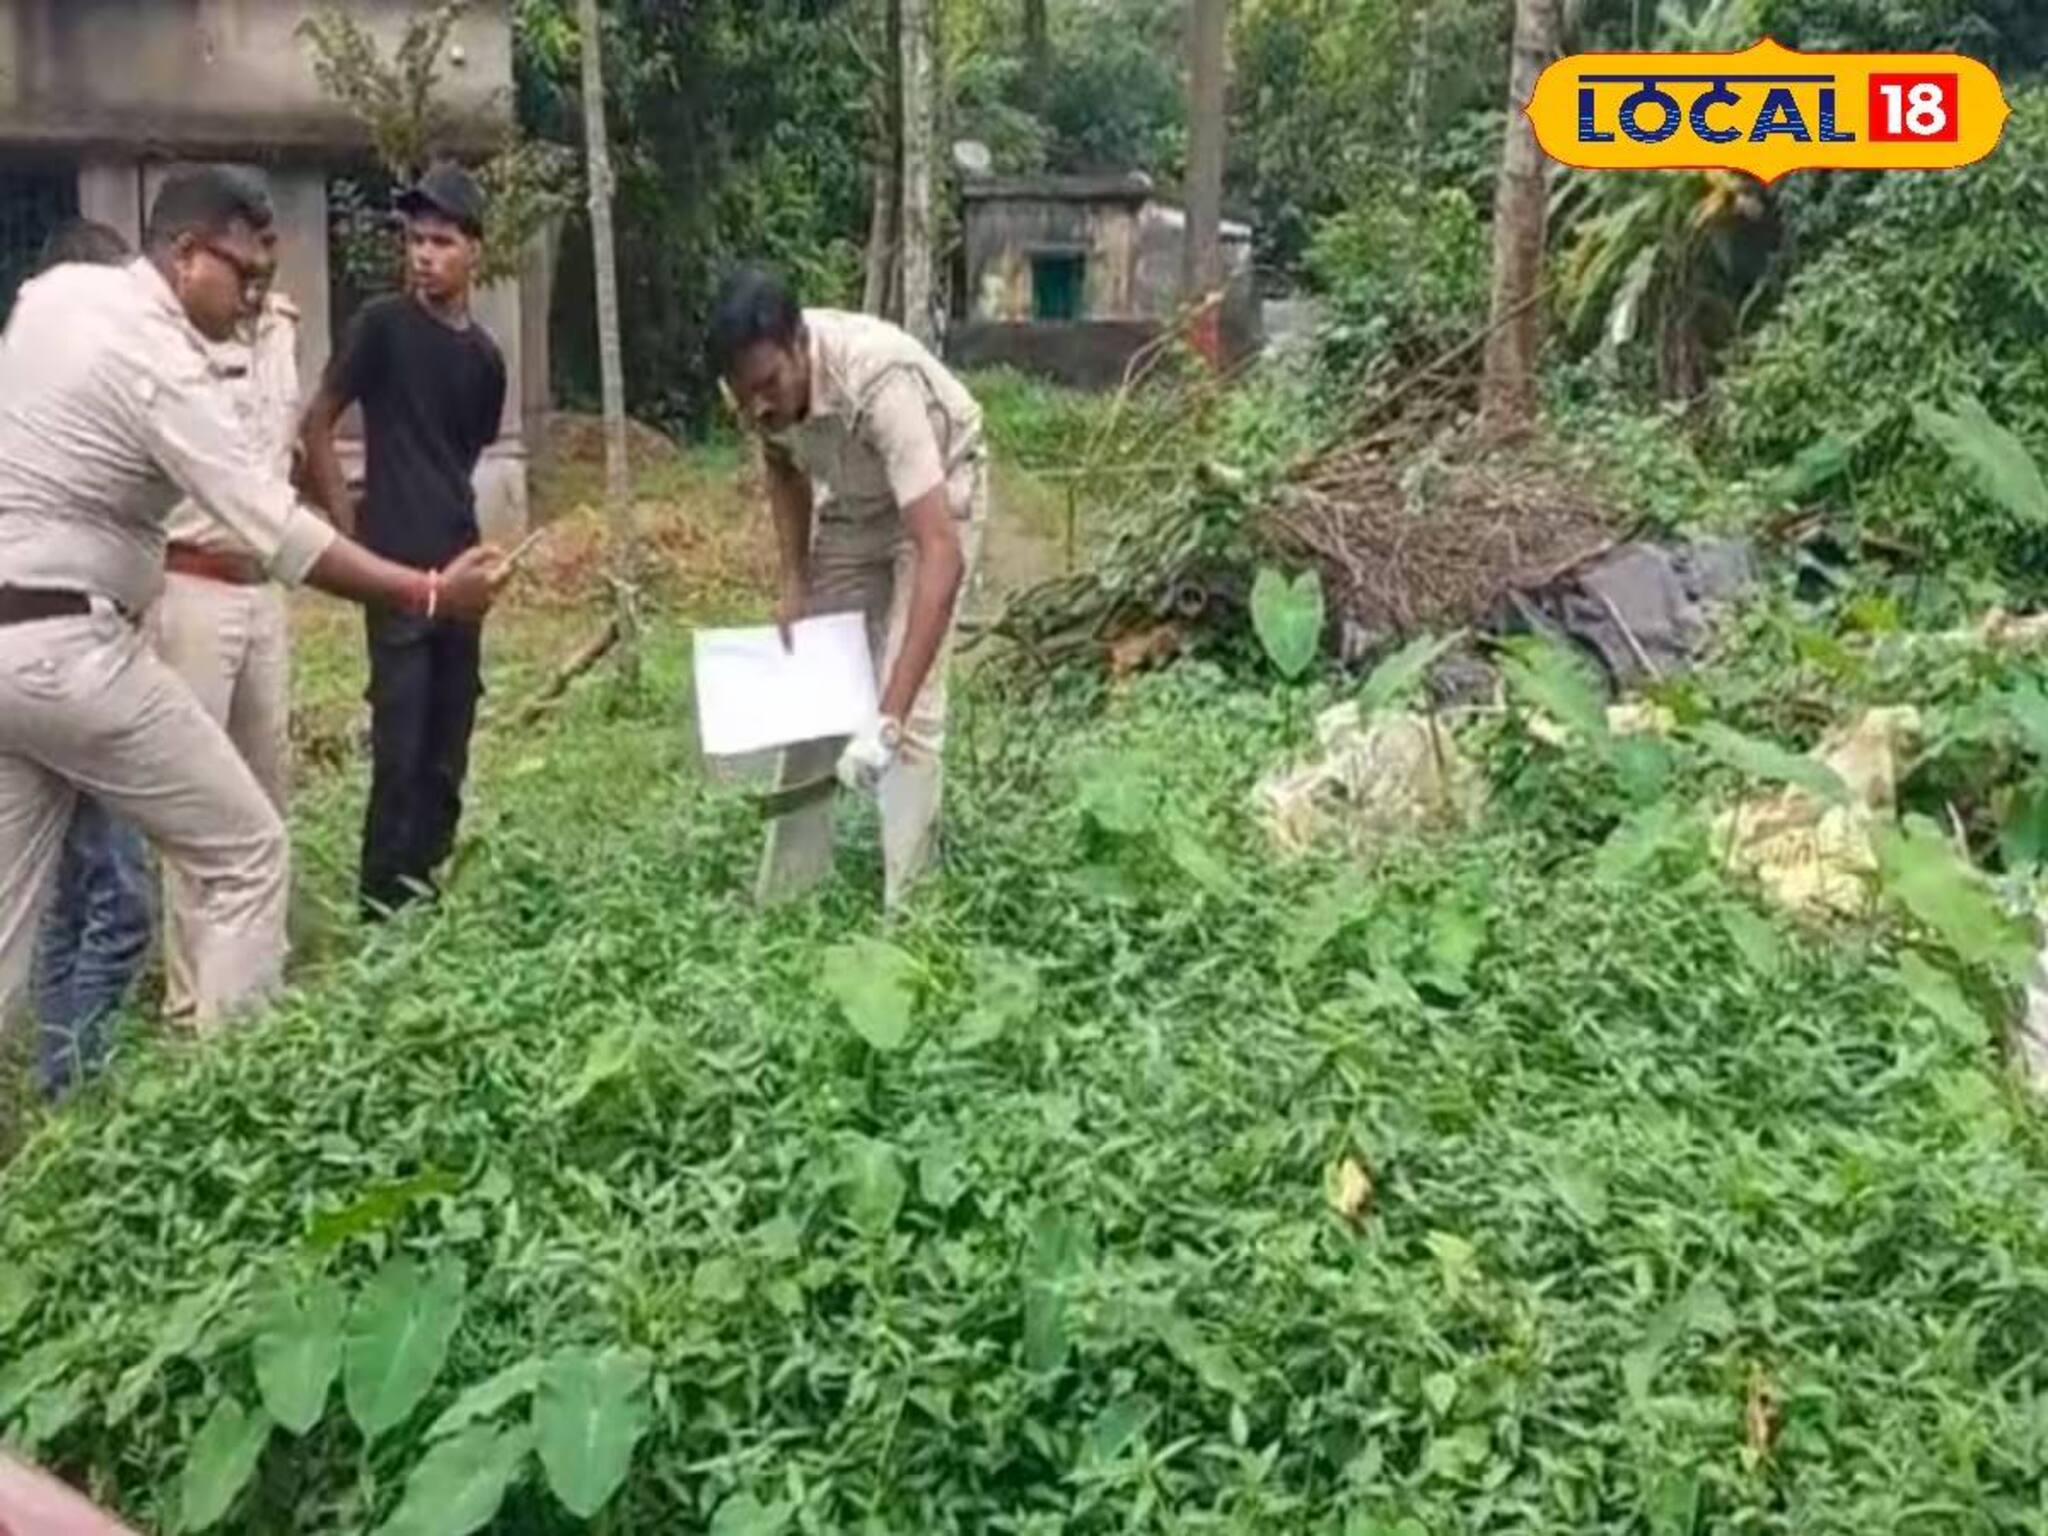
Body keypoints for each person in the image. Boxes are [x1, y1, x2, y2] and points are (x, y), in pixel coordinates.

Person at [0, 164, 504, 1036]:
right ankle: (227, 1114)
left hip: (15, 651)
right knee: (247, 851)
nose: (253, 299)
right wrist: (424, 590)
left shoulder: (54, 296)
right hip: (75, 651)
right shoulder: (157, 359)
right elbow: (276, 526)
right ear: (188, 254)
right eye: (245, 274)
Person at [709, 264, 986, 909]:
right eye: (745, 394)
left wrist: (887, 717)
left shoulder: (878, 378)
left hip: (942, 489)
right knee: (813, 695)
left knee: (914, 718)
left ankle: (910, 916)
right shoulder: (754, 392)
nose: (760, 406)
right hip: (856, 505)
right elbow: (784, 470)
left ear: (801, 343)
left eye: (770, 385)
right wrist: (794, 583)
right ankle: (786, 895)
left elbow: (939, 556)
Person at [301, 162, 508, 920]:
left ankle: (426, 899)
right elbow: (316, 422)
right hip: (392, 571)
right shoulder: (381, 328)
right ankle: (377, 916)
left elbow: (466, 454)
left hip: (463, 569)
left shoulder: (486, 359)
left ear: (473, 251)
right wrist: (348, 532)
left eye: (442, 241)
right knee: (399, 748)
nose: (424, 254)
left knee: (447, 749)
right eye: (415, 240)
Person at [151, 187, 309, 1023]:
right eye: (244, 253)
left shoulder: (283, 327)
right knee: (193, 802)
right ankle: (190, 1009)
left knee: (264, 792)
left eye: (267, 250)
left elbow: (285, 452)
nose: (257, 268)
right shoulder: (167, 340)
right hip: (191, 585)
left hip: (262, 589)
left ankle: (255, 995)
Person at [21, 225, 155, 1096]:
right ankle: (72, 1088)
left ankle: (54, 1078)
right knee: (121, 902)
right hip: (65, 665)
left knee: (74, 893)